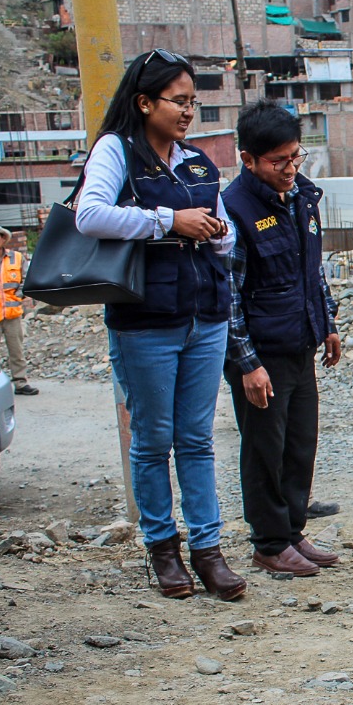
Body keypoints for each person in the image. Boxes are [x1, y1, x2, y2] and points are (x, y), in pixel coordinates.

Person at [75, 49, 245, 601]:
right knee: (152, 440)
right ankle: (162, 550)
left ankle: (209, 551)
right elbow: (89, 214)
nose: (189, 111)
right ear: (145, 101)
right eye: (179, 101)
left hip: (205, 315)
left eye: (194, 101)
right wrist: (168, 219)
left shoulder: (196, 162)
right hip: (145, 320)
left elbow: (226, 238)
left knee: (196, 438)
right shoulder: (115, 152)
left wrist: (217, 231)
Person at [221, 99, 342, 577]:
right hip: (261, 355)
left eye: (296, 157)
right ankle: (269, 543)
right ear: (248, 159)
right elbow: (227, 296)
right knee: (264, 450)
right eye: (278, 161)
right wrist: (247, 364)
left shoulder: (301, 198)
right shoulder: (233, 209)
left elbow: (312, 271)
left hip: (300, 343)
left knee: (299, 444)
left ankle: (292, 532)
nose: (291, 168)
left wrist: (327, 323)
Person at [0, 224, 38, 395]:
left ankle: (20, 383)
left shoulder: (17, 258)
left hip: (12, 315)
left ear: (3, 238)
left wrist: (17, 297)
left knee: (16, 350)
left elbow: (26, 280)